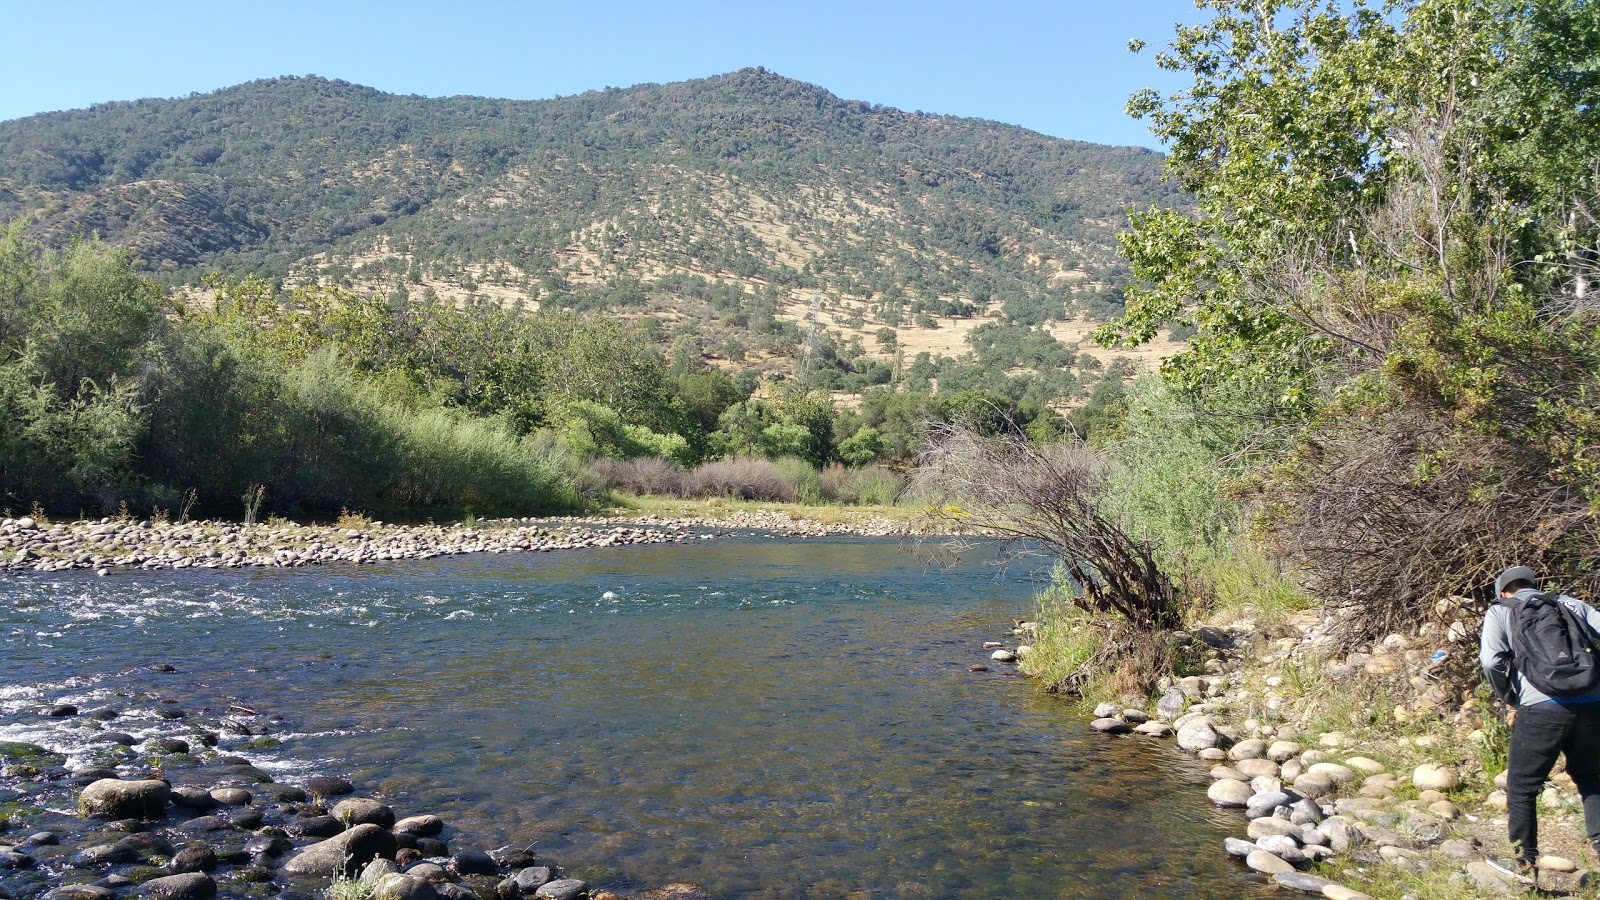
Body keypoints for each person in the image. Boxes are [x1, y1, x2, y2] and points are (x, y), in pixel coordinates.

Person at [1480, 564, 1600, 873]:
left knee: (1522, 786)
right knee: (1591, 778)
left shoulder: (1501, 610)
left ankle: (1524, 867)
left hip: (1540, 707)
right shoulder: (1570, 603)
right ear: (1534, 584)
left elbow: (1490, 661)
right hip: (1592, 703)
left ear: (1504, 592)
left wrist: (1510, 697)